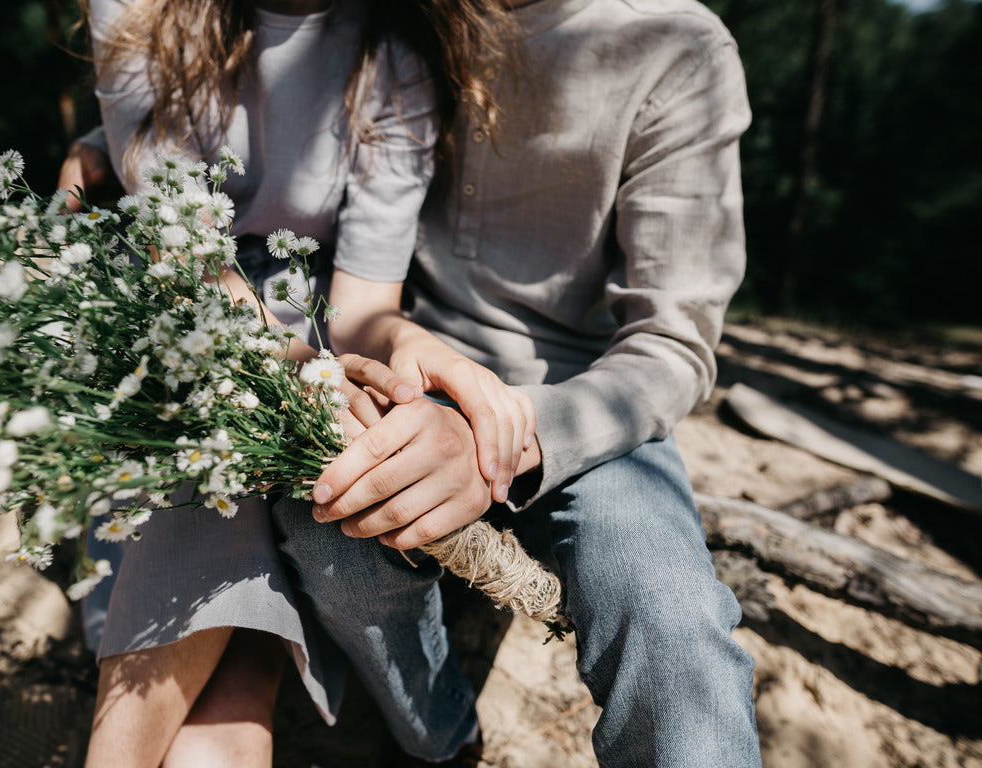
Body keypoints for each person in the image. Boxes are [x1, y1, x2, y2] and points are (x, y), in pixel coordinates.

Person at [268, 0, 765, 765]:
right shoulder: (403, 20)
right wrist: (108, 139)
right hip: (417, 363)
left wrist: (506, 440)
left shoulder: (676, 45)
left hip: (590, 400)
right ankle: (441, 736)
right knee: (328, 531)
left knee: (670, 617)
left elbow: (674, 346)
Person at [57, 0, 526, 766]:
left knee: (248, 544)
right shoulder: (138, 10)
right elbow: (187, 256)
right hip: (172, 303)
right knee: (206, 465)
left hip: (299, 315)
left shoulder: (393, 55)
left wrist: (402, 341)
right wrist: (278, 366)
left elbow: (365, 304)